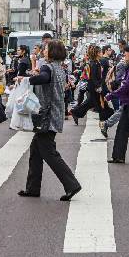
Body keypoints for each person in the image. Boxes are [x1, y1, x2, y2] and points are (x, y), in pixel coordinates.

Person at [17, 40, 82, 201]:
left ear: (51, 52)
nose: (43, 51)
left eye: (45, 49)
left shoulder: (48, 67)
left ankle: (72, 184)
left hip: (46, 115)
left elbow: (44, 78)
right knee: (36, 151)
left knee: (49, 153)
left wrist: (25, 79)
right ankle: (32, 188)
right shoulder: (60, 68)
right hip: (55, 112)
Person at [71, 44, 112, 123]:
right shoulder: (94, 63)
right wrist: (98, 86)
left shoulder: (96, 62)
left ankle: (75, 112)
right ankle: (105, 119)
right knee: (99, 103)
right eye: (100, 52)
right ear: (97, 53)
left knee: (91, 103)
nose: (101, 53)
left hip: (94, 86)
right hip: (94, 87)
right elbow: (93, 77)